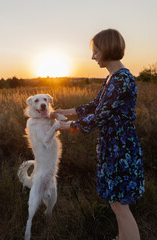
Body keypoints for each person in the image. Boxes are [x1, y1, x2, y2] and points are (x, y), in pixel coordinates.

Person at [52, 29, 145, 240]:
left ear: (108, 49)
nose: (93, 56)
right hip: (113, 147)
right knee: (116, 203)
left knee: (121, 206)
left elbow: (101, 116)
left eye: (95, 51)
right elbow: (96, 105)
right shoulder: (113, 76)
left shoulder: (122, 80)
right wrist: (65, 112)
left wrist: (67, 127)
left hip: (121, 150)